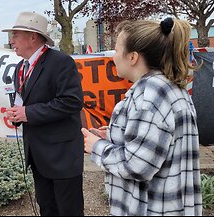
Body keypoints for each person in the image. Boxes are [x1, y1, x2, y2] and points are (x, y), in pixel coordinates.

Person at [82, 18, 202, 216]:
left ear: (132, 57)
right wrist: (115, 135)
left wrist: (97, 146)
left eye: (117, 49)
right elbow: (158, 144)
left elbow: (137, 166)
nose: (114, 56)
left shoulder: (150, 95)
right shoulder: (167, 87)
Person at [3, 12, 85, 216]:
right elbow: (24, 102)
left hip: (62, 156)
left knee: (68, 211)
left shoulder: (60, 62)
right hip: (38, 155)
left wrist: (27, 113)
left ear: (33, 36)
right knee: (47, 209)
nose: (11, 40)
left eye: (15, 35)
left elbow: (71, 102)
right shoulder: (20, 68)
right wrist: (16, 115)